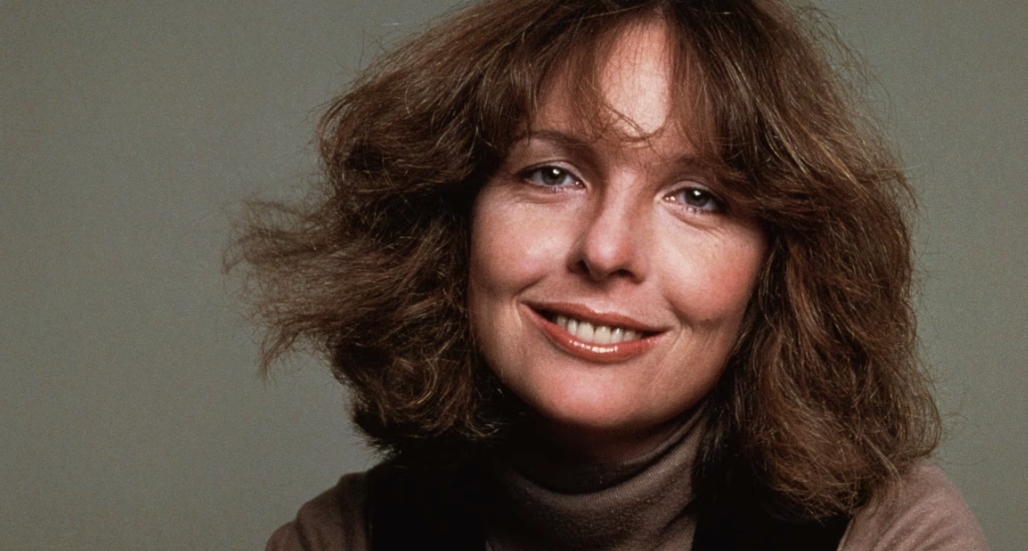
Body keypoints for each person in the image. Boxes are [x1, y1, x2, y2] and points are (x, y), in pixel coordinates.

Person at [234, 0, 988, 549]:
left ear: (780, 267)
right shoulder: (342, 538)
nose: (605, 249)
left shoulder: (894, 535)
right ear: (451, 219)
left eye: (697, 197)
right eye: (552, 174)